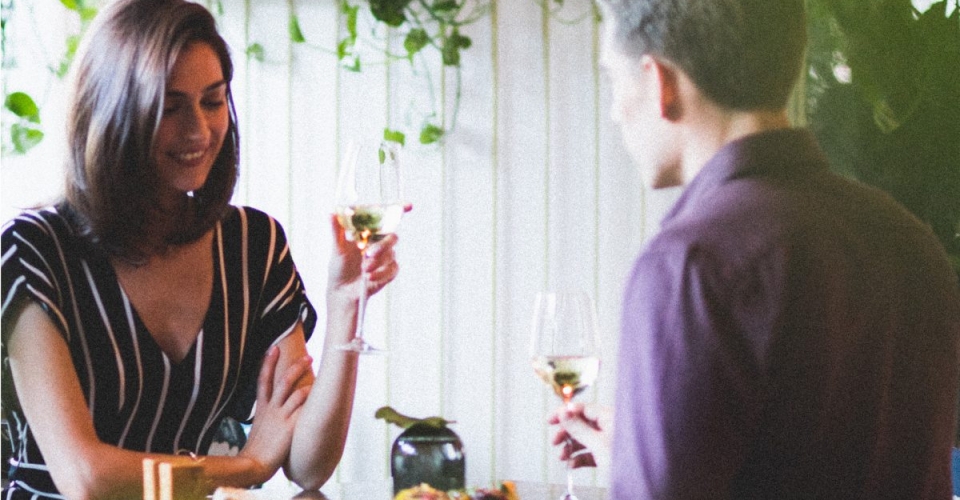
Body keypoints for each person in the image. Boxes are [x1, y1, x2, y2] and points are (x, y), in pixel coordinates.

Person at [550, 0, 960, 498]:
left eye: (614, 80)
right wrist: (641, 451)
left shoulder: (689, 265)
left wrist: (643, 474)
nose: (616, 113)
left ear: (660, 83)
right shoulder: (909, 240)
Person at [0, 0, 404, 498]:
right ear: (112, 113)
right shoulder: (33, 250)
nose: (198, 130)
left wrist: (345, 307)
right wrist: (244, 467)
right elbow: (85, 477)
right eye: (170, 108)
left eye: (212, 101)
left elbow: (307, 465)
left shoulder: (254, 245)